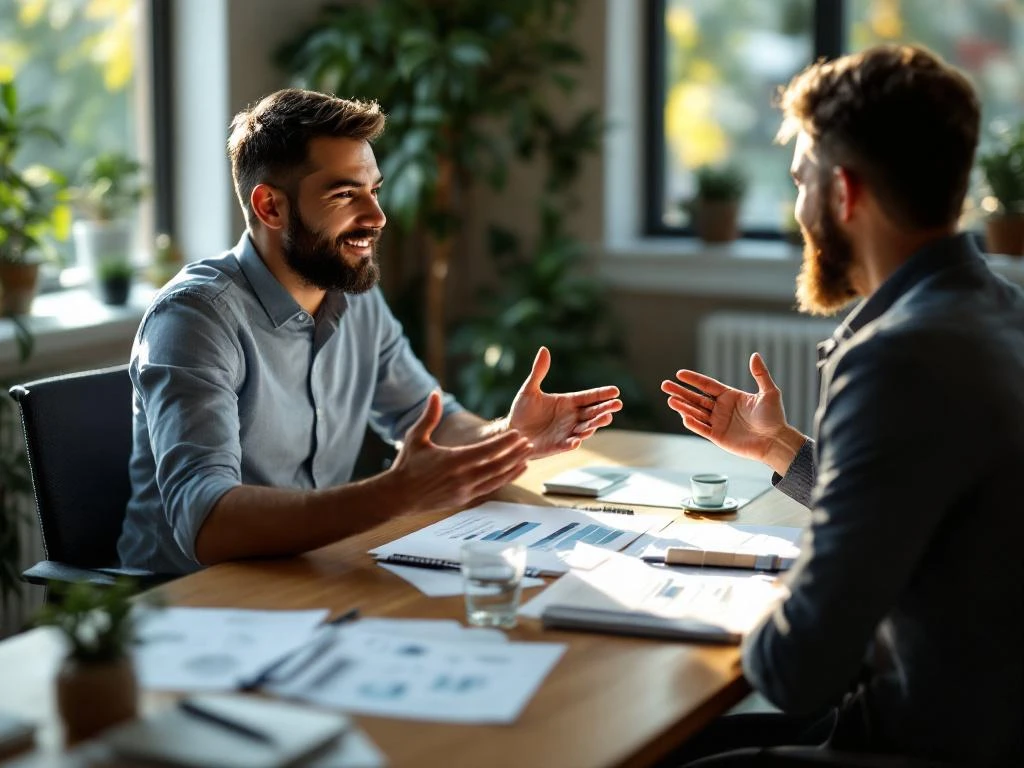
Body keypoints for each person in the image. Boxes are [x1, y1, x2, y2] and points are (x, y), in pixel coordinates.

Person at [661, 45, 1024, 766]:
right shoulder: (1002, 311)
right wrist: (781, 452)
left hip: (925, 744)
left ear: (844, 194)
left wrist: (710, 605)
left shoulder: (900, 355)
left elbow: (800, 672)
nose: (796, 207)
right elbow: (925, 501)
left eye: (801, 180)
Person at [118, 88, 622, 576]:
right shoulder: (194, 318)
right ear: (271, 207)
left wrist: (506, 438)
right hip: (186, 605)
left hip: (308, 575)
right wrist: (394, 493)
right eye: (344, 194)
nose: (377, 217)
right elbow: (206, 523)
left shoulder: (354, 298)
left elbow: (427, 418)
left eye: (374, 190)